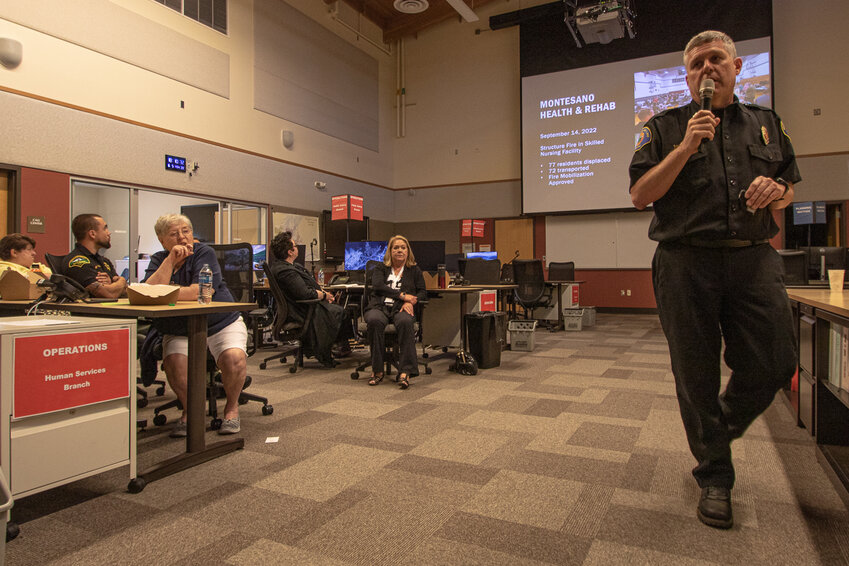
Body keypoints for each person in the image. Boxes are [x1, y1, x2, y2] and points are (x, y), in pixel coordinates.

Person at [629, 31, 800, 530]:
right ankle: (715, 477)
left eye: (716, 59)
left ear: (736, 66)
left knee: (776, 361)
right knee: (695, 376)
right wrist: (685, 147)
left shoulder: (767, 126)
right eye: (697, 63)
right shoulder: (662, 128)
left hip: (752, 259)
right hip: (685, 263)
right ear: (687, 77)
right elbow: (641, 194)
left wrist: (778, 190)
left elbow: (789, 187)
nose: (707, 68)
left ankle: (715, 430)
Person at [142, 214, 247, 437]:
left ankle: (231, 408)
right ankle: (192, 411)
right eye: (174, 234)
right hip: (180, 327)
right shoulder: (159, 259)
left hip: (220, 322)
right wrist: (170, 261)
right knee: (174, 363)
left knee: (234, 357)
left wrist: (163, 292)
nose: (182, 237)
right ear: (162, 240)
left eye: (186, 231)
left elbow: (201, 291)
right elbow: (146, 292)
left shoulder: (203, 253)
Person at [268, 231, 350, 367]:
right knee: (340, 312)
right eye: (295, 245)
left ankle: (339, 348)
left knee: (337, 310)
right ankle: (332, 349)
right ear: (290, 252)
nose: (297, 248)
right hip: (302, 310)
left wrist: (322, 292)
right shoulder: (286, 271)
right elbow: (304, 293)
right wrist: (324, 295)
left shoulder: (286, 267)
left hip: (301, 306)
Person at [363, 235, 426, 389]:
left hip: (401, 308)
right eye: (395, 248)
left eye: (402, 248)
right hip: (379, 306)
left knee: (405, 322)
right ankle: (377, 370)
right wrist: (403, 296)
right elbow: (378, 286)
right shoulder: (380, 268)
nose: (399, 250)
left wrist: (412, 301)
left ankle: (405, 372)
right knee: (374, 320)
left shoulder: (414, 270)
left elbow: (422, 292)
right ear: (390, 251)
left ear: (407, 251)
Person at [62, 214, 128, 298]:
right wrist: (122, 281)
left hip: (112, 309)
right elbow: (108, 294)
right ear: (92, 234)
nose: (109, 233)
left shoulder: (104, 261)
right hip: (92, 310)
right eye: (105, 228)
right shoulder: (78, 262)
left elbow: (125, 291)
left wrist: (112, 285)